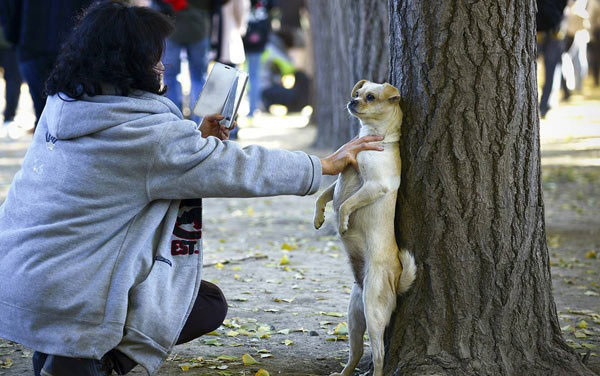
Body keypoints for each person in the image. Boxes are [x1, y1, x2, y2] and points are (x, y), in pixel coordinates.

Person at [0, 2, 383, 376]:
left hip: (18, 283)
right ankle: (89, 361)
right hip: (69, 296)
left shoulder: (63, 107)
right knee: (205, 304)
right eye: (154, 57)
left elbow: (138, 162)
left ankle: (58, 350)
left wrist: (194, 141)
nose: (162, 65)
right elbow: (241, 168)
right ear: (129, 62)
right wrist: (322, 165)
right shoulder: (151, 139)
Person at [0, 0, 93, 130]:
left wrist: (13, 35)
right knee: (69, 113)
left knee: (45, 115)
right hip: (70, 44)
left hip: (32, 41)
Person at [154, 0, 214, 122]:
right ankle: (200, 122)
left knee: (170, 77)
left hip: (172, 27)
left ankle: (175, 119)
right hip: (198, 27)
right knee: (199, 78)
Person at [243, 0, 275, 118]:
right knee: (250, 75)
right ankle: (252, 108)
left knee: (253, 75)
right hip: (246, 38)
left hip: (256, 39)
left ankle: (253, 108)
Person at [536, 0, 568, 118]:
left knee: (550, 70)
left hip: (553, 31)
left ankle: (543, 105)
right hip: (540, 29)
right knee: (539, 70)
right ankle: (542, 105)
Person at [0, 26, 22, 128]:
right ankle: (9, 117)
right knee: (13, 80)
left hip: (9, 41)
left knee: (12, 80)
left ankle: (9, 117)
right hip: (9, 41)